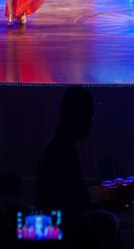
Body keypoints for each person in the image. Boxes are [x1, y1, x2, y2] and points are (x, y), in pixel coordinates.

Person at [35, 86, 95, 214]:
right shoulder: (62, 151)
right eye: (90, 116)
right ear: (78, 117)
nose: (91, 122)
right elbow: (71, 205)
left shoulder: (59, 146)